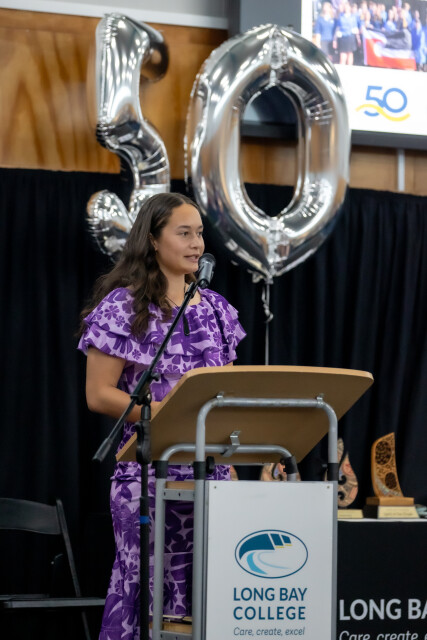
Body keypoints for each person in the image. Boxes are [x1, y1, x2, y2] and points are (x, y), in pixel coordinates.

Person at [77, 192, 246, 640]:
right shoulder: (123, 306)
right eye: (183, 233)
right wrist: (162, 417)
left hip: (211, 473)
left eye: (200, 233)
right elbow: (98, 394)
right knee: (143, 591)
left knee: (210, 591)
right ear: (153, 240)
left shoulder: (216, 310)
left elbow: (228, 393)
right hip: (148, 472)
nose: (197, 243)